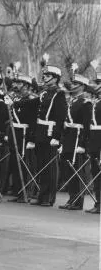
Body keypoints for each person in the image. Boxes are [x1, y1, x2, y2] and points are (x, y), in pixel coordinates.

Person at [31, 64, 67, 207]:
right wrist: (16, 103)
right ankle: (42, 195)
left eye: (47, 76)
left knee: (50, 167)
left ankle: (48, 197)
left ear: (55, 78)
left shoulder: (59, 94)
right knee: (41, 165)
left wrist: (57, 137)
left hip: (50, 133)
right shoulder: (45, 93)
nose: (44, 77)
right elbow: (33, 103)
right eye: (44, 75)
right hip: (41, 132)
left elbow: (60, 116)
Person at [58, 73, 92, 210]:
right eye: (72, 83)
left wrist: (83, 144)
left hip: (78, 139)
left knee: (76, 171)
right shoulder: (72, 101)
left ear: (82, 86)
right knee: (67, 170)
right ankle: (72, 198)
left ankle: (77, 201)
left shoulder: (86, 103)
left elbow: (86, 125)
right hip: (69, 139)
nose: (72, 86)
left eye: (75, 84)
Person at [6, 72, 39, 203]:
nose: (15, 85)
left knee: (25, 163)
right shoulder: (17, 99)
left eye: (19, 83)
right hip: (15, 133)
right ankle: (18, 191)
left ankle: (27, 192)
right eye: (15, 83)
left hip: (25, 134)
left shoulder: (32, 100)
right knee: (15, 162)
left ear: (27, 85)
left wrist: (31, 139)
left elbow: (33, 121)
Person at [86, 74, 101, 214]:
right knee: (96, 172)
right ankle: (99, 203)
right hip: (95, 141)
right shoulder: (96, 102)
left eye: (99, 82)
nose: (96, 85)